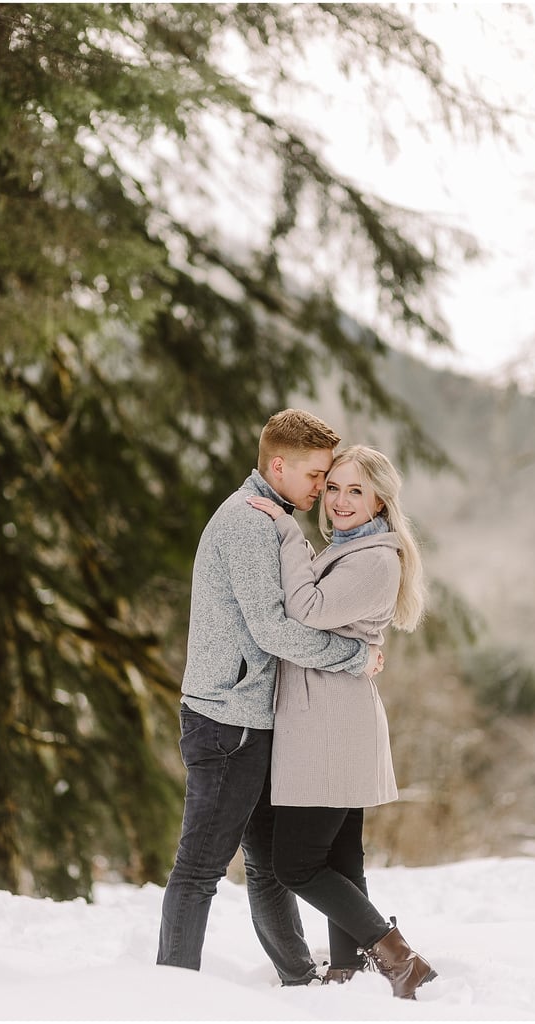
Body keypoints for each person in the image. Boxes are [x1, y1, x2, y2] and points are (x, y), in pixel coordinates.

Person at [156, 410, 382, 985]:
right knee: (201, 867)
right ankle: (170, 990)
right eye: (315, 476)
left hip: (253, 719)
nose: (322, 489)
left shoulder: (273, 518)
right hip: (226, 720)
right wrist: (356, 659)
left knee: (267, 867)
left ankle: (299, 977)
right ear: (277, 466)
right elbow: (274, 630)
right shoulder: (248, 522)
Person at [246, 444, 437, 1000]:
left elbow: (305, 609)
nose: (340, 500)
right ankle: (350, 969)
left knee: (296, 864)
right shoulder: (352, 548)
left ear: (379, 500)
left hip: (329, 721)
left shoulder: (374, 557)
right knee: (340, 857)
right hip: (331, 713)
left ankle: (399, 958)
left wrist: (285, 531)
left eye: (356, 490)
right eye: (332, 488)